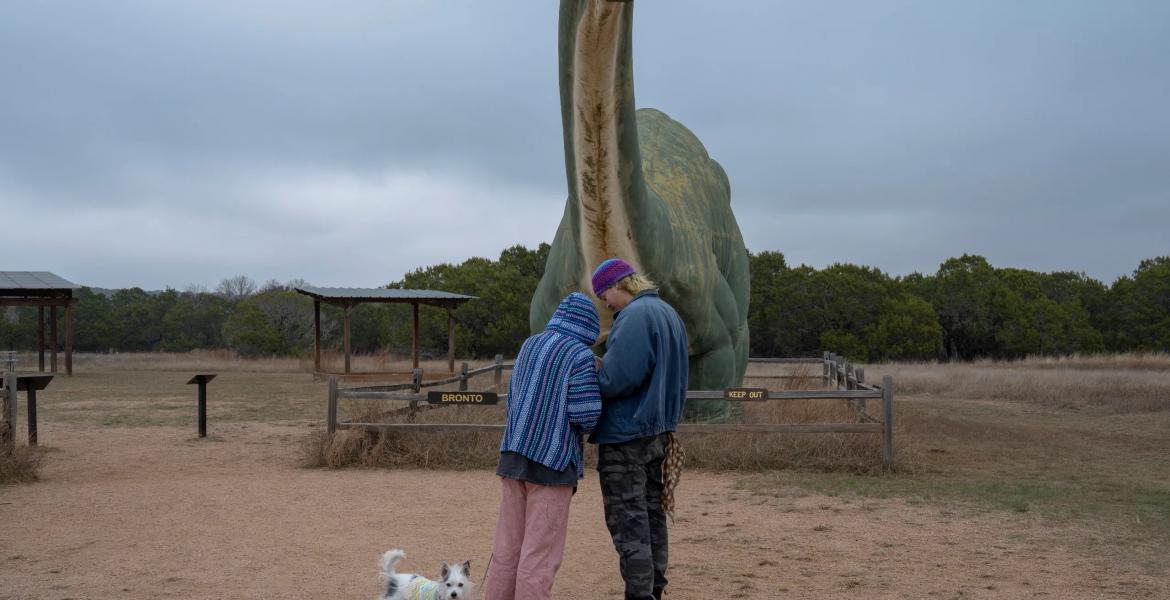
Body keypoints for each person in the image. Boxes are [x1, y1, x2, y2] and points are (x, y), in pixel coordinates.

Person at [483, 292, 602, 600]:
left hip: (513, 456)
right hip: (552, 463)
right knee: (539, 555)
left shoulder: (529, 345)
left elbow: (513, 399)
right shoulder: (580, 356)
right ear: (589, 326)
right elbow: (585, 413)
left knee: (507, 547)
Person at [589, 258, 688, 600]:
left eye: (604, 293)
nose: (605, 301)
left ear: (620, 284)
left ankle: (639, 594)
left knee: (629, 524)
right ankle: (655, 589)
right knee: (651, 516)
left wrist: (598, 370)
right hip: (656, 432)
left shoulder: (634, 317)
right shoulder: (668, 314)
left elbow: (618, 379)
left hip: (625, 434)